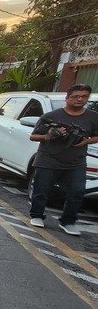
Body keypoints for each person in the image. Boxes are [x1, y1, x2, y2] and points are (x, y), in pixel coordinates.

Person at [28, 83, 98, 235]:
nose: (79, 99)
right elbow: (33, 136)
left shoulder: (93, 117)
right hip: (48, 159)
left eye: (84, 96)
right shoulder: (51, 116)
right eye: (75, 96)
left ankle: (68, 221)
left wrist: (86, 141)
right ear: (67, 98)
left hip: (76, 162)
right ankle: (37, 215)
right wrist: (50, 135)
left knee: (77, 192)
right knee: (42, 190)